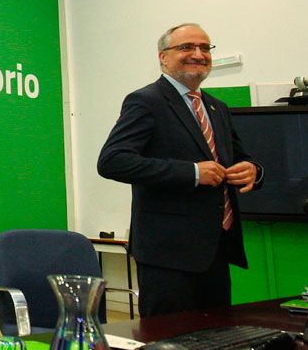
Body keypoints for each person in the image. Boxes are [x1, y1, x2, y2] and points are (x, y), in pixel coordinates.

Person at [98, 22, 262, 317]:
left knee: (218, 336)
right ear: (163, 57)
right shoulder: (146, 101)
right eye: (186, 47)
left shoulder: (217, 107)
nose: (198, 54)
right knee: (169, 346)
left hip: (216, 249)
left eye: (204, 47)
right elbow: (113, 160)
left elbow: (241, 158)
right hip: (168, 256)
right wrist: (192, 173)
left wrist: (253, 170)